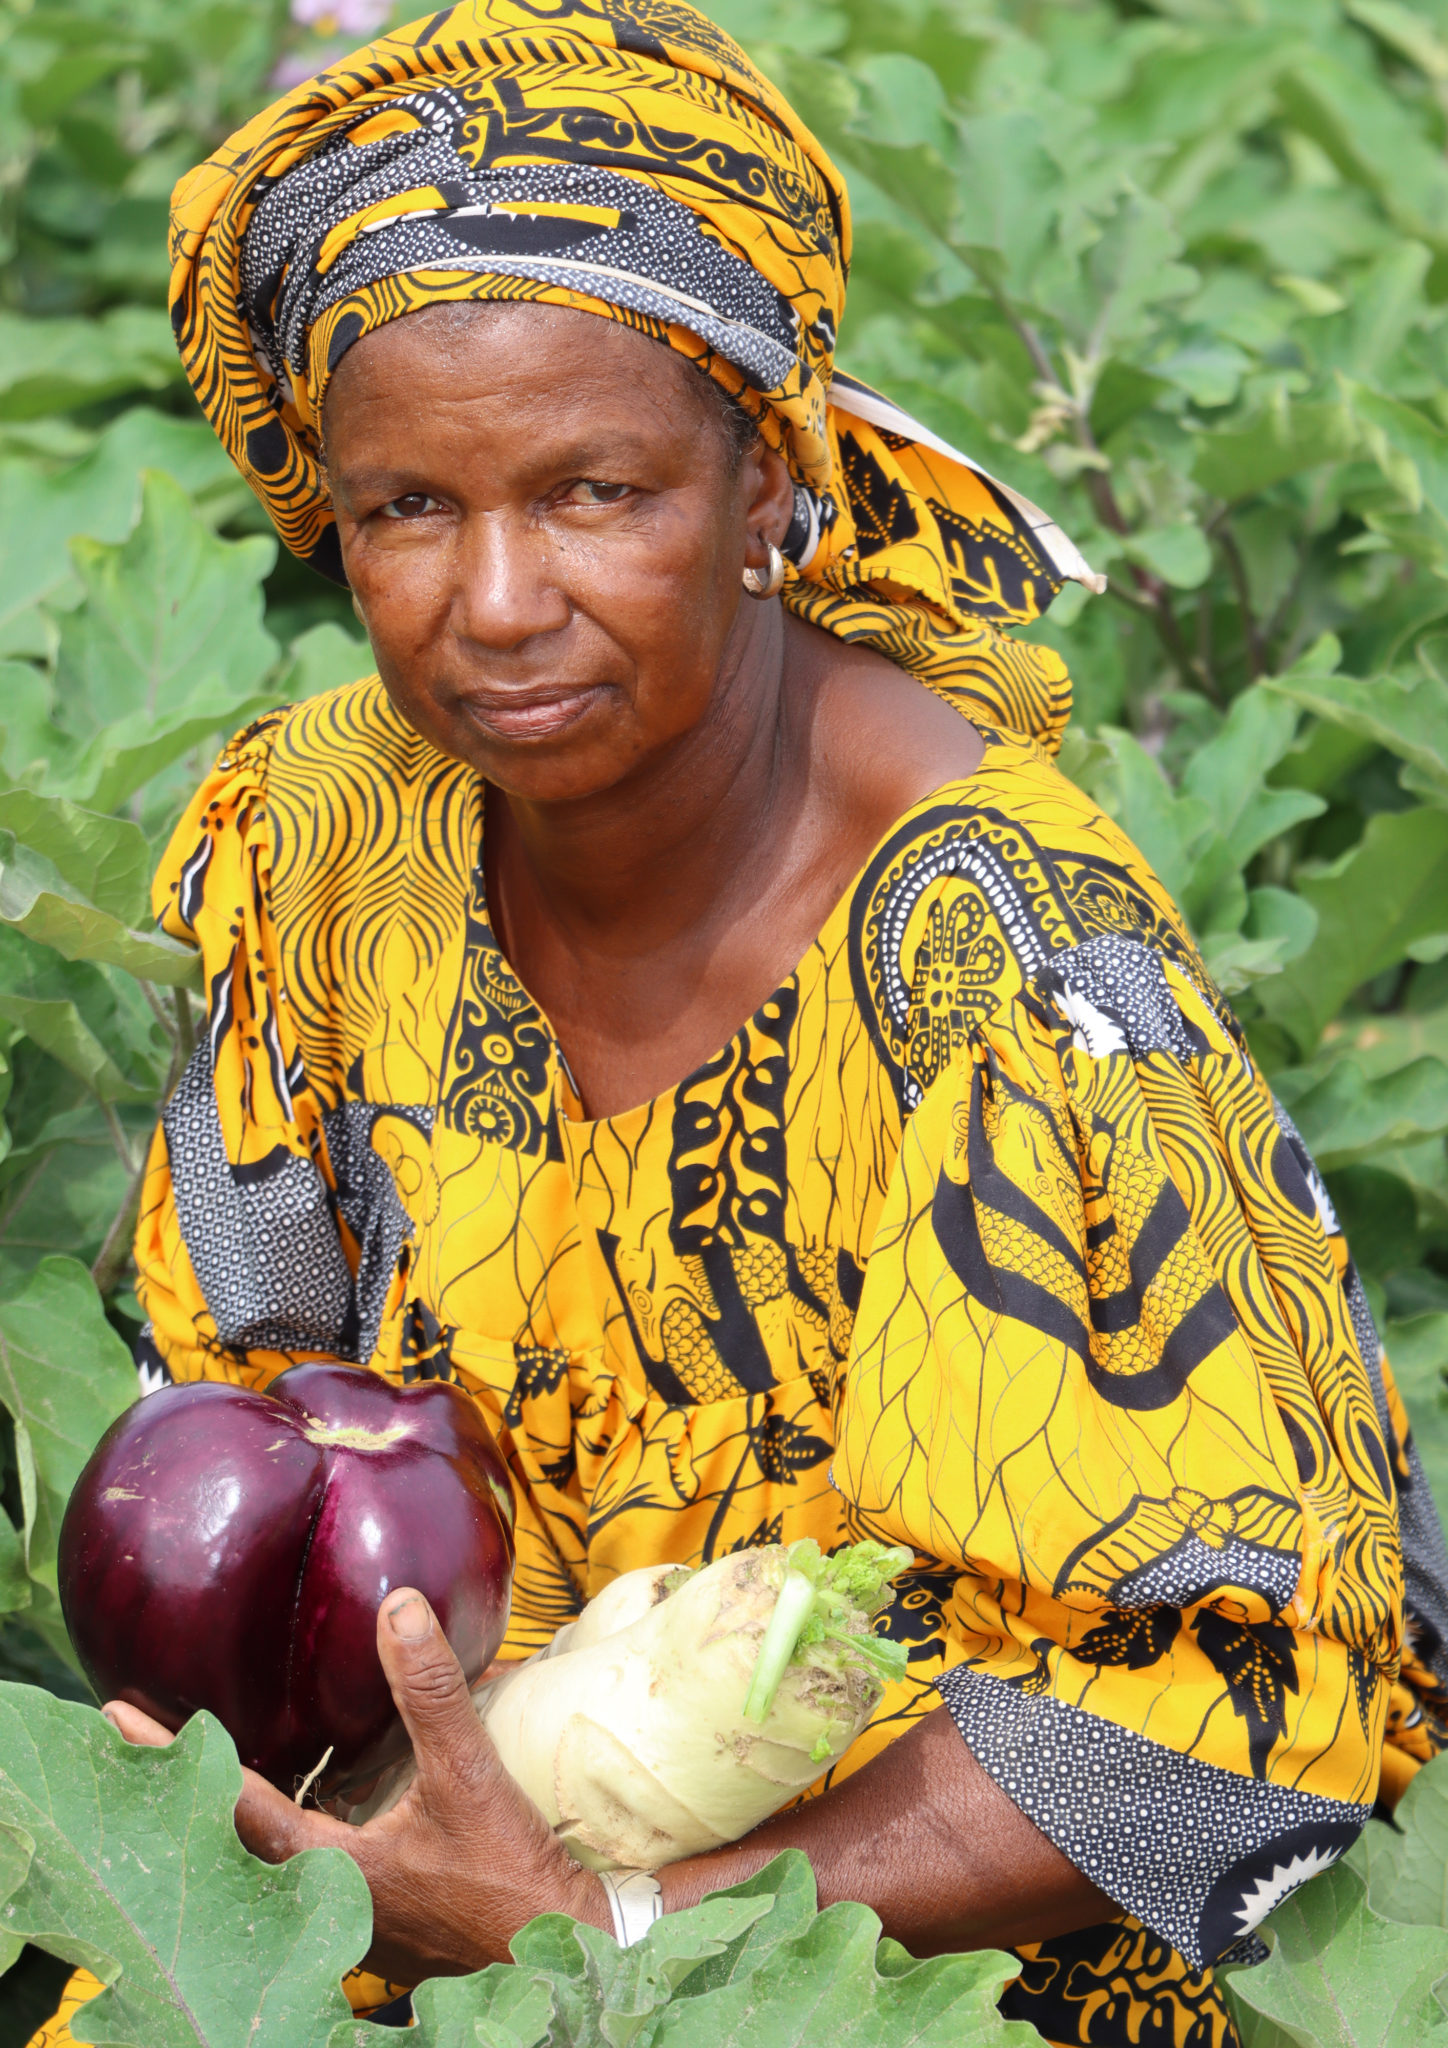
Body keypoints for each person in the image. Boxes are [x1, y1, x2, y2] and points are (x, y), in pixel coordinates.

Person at [32, 3, 1448, 2043]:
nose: (494, 600)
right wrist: (371, 1843)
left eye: (594, 489)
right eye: (406, 509)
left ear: (768, 470)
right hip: (411, 1850)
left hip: (911, 1958)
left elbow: (1220, 1711)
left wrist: (598, 1930)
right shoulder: (334, 823)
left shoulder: (993, 957)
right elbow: (246, 1416)